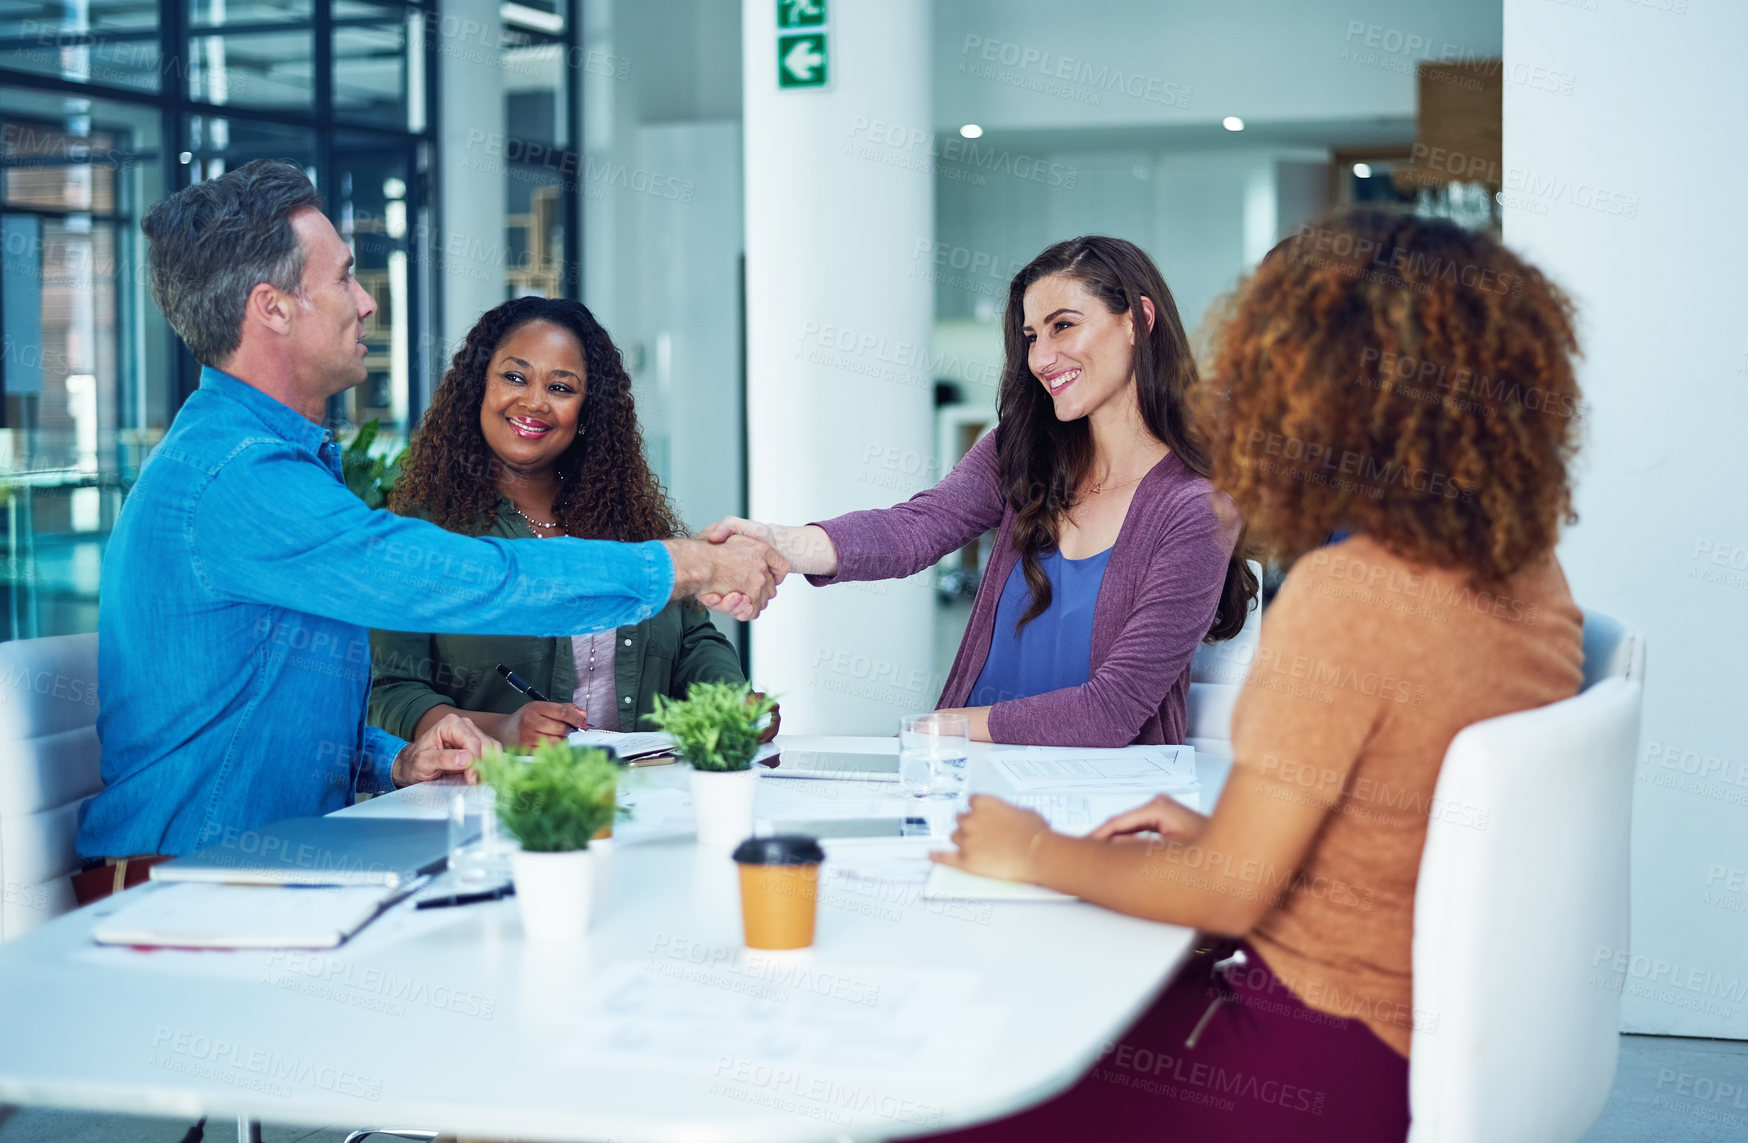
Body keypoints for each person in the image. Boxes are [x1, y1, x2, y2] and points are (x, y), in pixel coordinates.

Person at [924, 209, 1588, 1141]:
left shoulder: (1352, 592)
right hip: (1433, 1030)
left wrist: (1032, 851)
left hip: (1319, 1052)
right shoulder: (1525, 568)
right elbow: (1403, 813)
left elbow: (1227, 894)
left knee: (956, 1084)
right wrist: (1226, 833)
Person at [75, 160, 783, 878]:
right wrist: (684, 562)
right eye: (345, 277)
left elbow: (283, 717)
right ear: (274, 307)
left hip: (270, 873)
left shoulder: (270, 463)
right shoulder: (238, 479)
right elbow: (470, 579)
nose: (367, 302)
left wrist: (398, 760)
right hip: (191, 893)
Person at [705, 236, 1255, 746]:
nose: (1041, 358)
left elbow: (1112, 710)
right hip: (973, 779)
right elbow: (911, 530)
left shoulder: (1197, 508)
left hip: (1105, 810)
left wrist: (946, 726)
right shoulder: (1019, 452)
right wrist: (775, 544)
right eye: (1032, 336)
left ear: (1139, 319)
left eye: (1064, 326)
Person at [370, 297, 763, 747]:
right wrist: (504, 729)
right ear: (478, 385)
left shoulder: (628, 518)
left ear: (587, 410)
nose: (534, 402)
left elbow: (692, 640)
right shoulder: (424, 532)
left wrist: (732, 703)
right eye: (514, 377)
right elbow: (392, 689)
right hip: (497, 799)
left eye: (561, 388)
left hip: (648, 794)